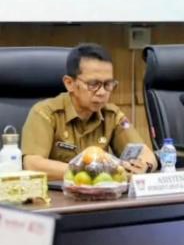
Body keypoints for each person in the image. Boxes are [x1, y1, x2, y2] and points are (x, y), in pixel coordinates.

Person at [22, 43, 157, 180]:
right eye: (93, 84)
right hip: (57, 197)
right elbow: (32, 165)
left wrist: (144, 166)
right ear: (70, 83)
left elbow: (147, 154)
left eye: (108, 84)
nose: (102, 92)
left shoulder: (113, 116)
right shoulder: (45, 113)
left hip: (101, 195)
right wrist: (88, 171)